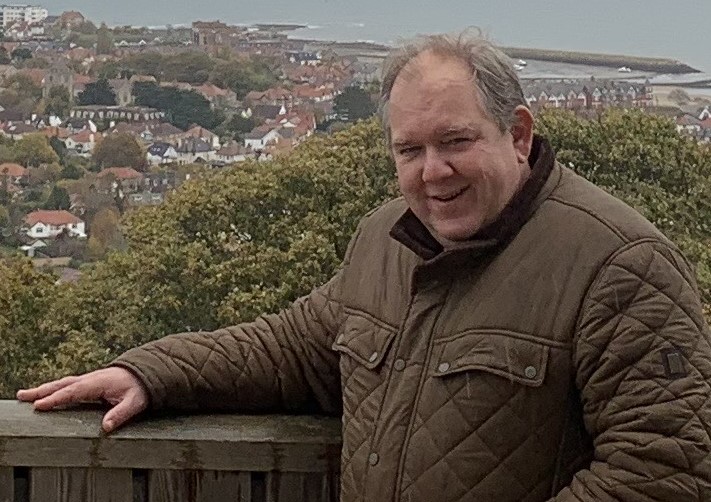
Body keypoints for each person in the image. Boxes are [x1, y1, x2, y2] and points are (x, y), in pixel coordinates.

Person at [18, 31, 711, 501]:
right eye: (410, 150)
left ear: (519, 134)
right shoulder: (388, 237)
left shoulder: (621, 264)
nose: (432, 171)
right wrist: (150, 373)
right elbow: (294, 348)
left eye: (455, 142)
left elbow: (664, 473)